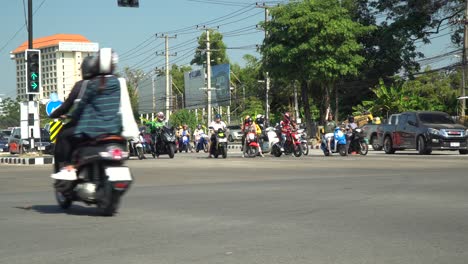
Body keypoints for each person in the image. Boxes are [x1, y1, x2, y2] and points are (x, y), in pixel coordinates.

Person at [52, 48, 124, 178]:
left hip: (89, 127)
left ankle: (67, 167)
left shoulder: (85, 84)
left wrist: (65, 115)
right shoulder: (116, 82)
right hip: (114, 128)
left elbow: (73, 106)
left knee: (64, 136)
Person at [50, 56, 98, 172]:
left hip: (84, 126)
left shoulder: (81, 85)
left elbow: (67, 106)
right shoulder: (107, 83)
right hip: (105, 126)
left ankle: (63, 169)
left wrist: (54, 114)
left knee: (62, 136)